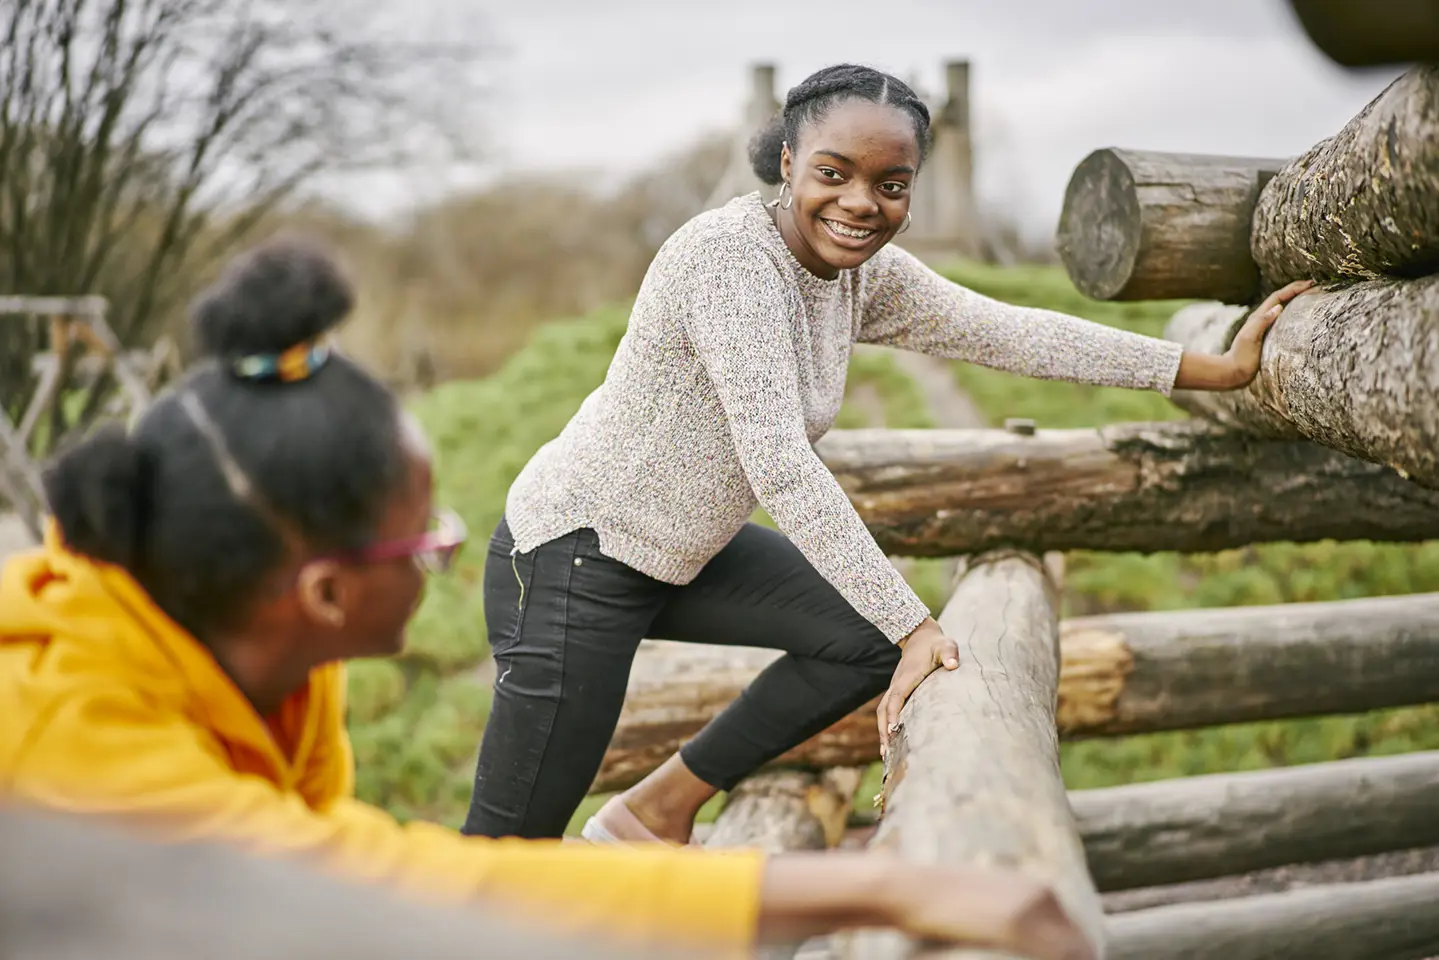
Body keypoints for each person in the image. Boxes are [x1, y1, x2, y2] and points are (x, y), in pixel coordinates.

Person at [0, 237, 1100, 960]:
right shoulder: (81, 755)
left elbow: (339, 862)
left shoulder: (259, 660)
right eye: (422, 535)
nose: (445, 550)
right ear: (327, 591)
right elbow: (402, 892)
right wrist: (873, 892)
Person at [462, 62, 1314, 846]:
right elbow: (780, 465)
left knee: (866, 643)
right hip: (577, 555)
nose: (860, 202)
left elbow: (1013, 333)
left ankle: (658, 809)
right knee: (505, 855)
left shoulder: (865, 275)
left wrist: (1213, 367)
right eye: (833, 173)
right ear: (788, 161)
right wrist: (916, 621)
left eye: (889, 184)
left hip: (687, 552)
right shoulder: (728, 259)